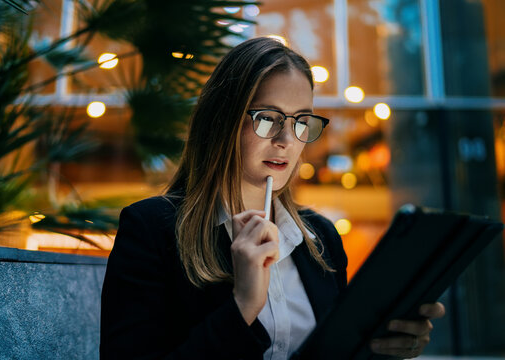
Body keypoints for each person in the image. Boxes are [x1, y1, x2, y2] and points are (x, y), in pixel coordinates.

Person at [100, 37, 445, 359]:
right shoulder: (151, 230)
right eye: (268, 118)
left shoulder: (321, 238)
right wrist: (243, 305)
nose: (286, 140)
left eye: (301, 121)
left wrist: (380, 347)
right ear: (223, 120)